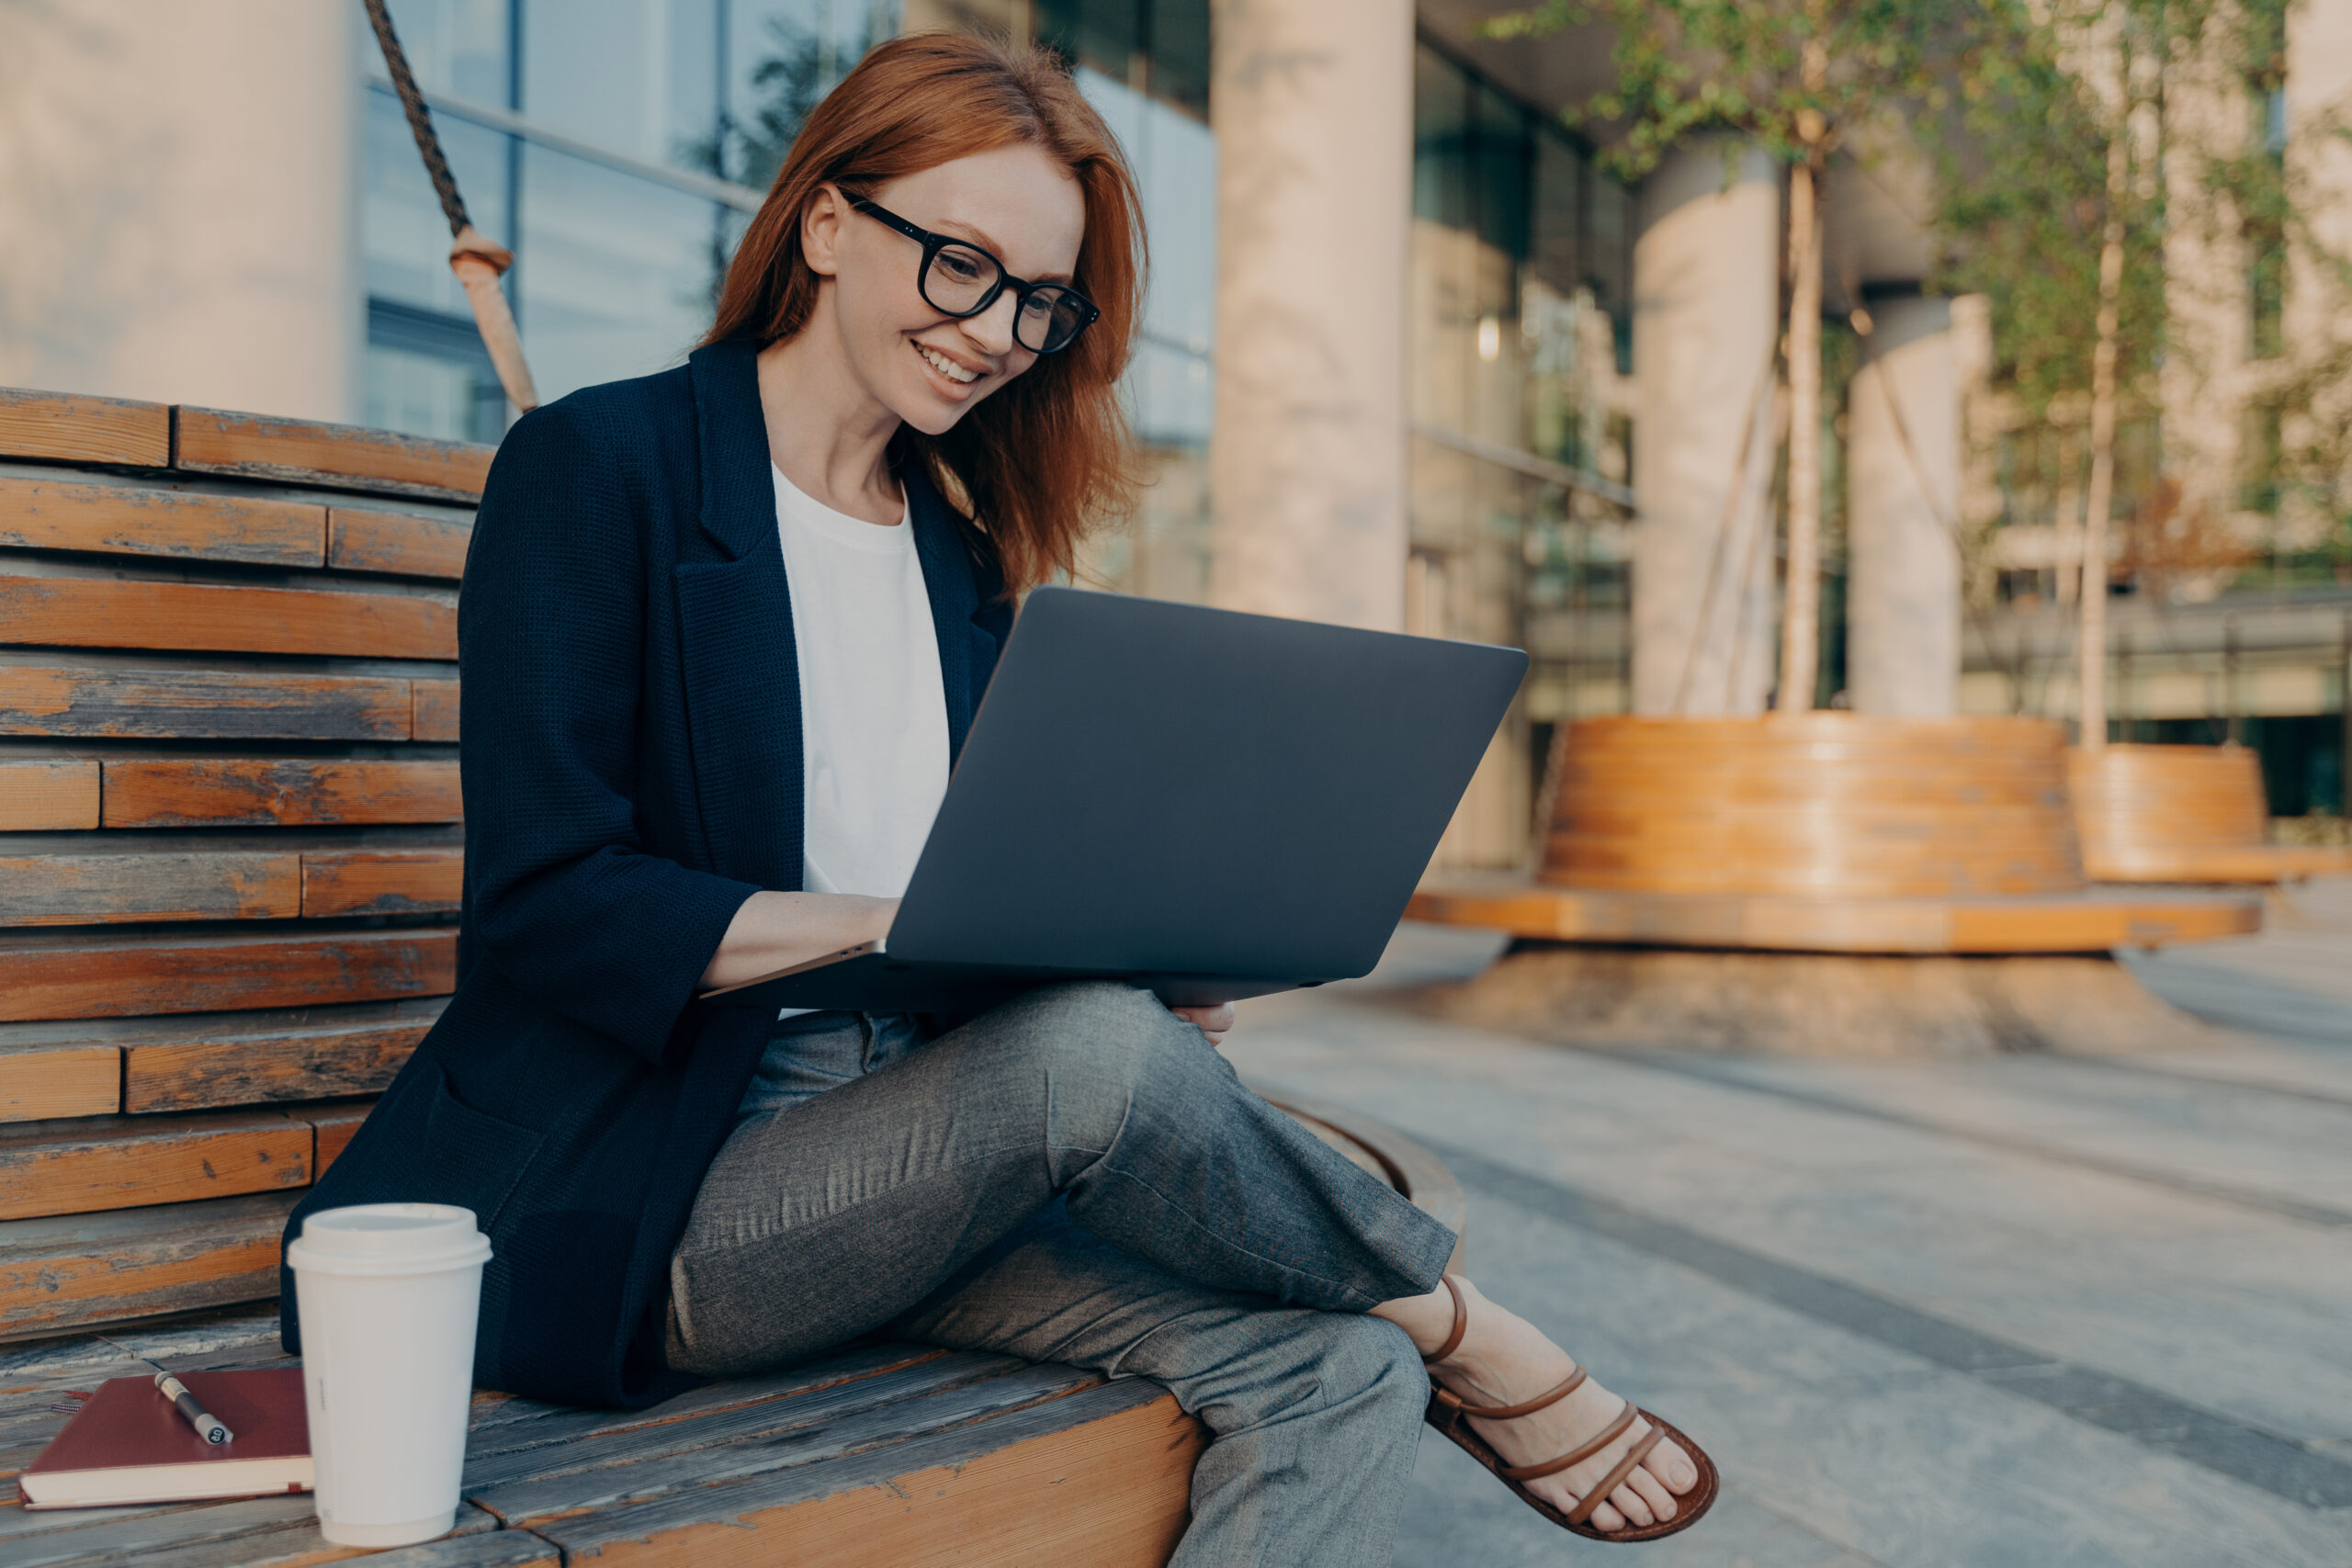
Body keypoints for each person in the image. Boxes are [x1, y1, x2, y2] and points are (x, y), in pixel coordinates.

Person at [279, 32, 1711, 1562]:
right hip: (664, 1190)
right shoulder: (600, 468)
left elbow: (988, 940)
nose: (998, 332)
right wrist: (902, 933)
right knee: (1103, 1065)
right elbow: (546, 899)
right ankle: (1455, 1313)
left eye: (1039, 299)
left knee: (1335, 1371)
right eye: (962, 265)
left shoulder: (959, 559)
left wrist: (1113, 959)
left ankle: (1388, 1319)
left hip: (924, 1161)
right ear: (827, 226)